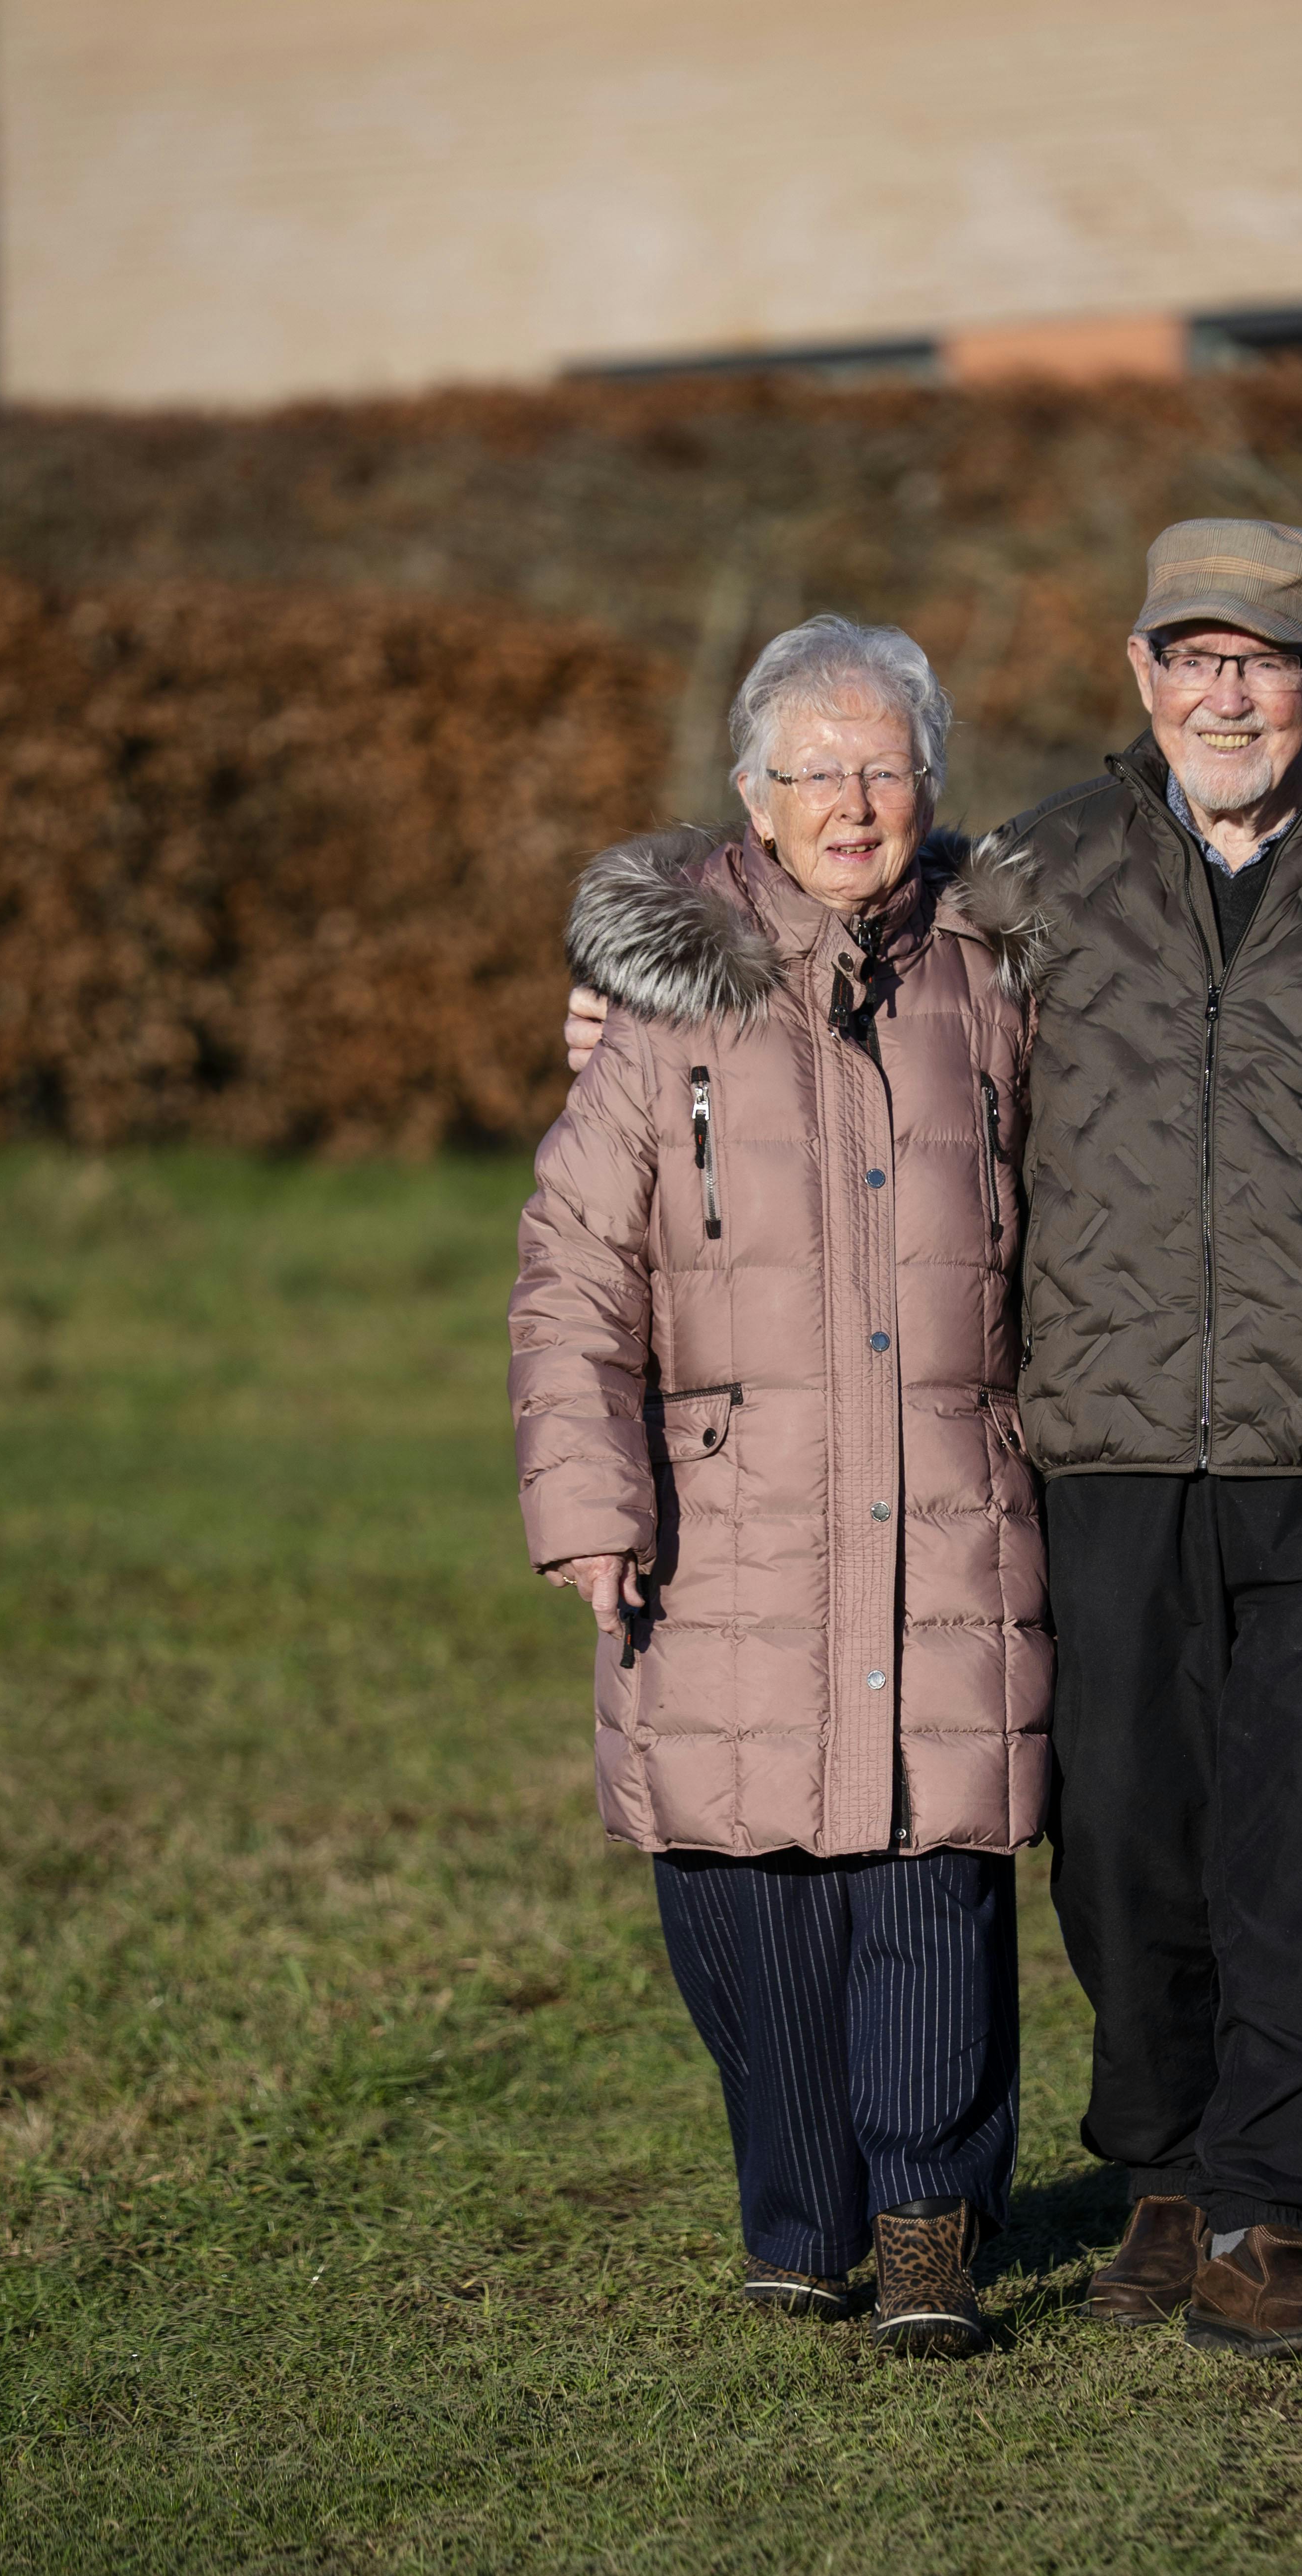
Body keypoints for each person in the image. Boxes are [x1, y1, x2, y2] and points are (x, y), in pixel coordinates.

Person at [566, 520, 1302, 2364]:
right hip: (1105, 1434)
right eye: (1194, 657)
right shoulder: (1042, 872)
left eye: (1262, 659)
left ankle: (1273, 2208)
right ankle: (1163, 2177)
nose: (1228, 693)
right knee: (1125, 1840)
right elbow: (824, 912)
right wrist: (632, 986)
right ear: (1141, 672)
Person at [516, 614, 1051, 2359]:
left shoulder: (1003, 979)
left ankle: (927, 2231)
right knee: (744, 1889)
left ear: (931, 786)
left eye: (884, 767)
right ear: (752, 798)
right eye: (815, 771)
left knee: (931, 1876)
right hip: (723, 1522)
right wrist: (587, 1502)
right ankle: (805, 2217)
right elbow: (574, 1273)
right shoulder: (663, 1001)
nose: (852, 802)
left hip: (953, 1508)